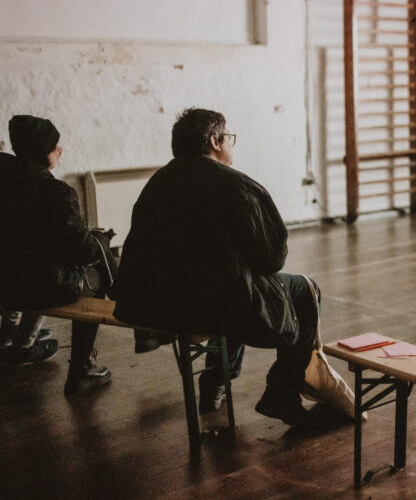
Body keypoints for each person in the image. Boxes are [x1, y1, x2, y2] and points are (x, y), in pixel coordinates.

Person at [114, 107, 341, 429]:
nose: (231, 144)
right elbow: (273, 259)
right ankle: (281, 393)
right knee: (303, 290)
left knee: (232, 286)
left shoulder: (157, 183)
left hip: (154, 308)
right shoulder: (236, 186)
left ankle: (214, 384)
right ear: (214, 141)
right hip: (209, 305)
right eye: (229, 137)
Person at [0, 115, 112, 393]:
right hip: (37, 288)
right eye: (56, 146)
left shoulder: (6, 177)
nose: (59, 151)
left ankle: (19, 342)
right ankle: (81, 370)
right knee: (97, 267)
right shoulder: (56, 192)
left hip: (6, 285)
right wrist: (97, 241)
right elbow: (81, 252)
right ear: (45, 152)